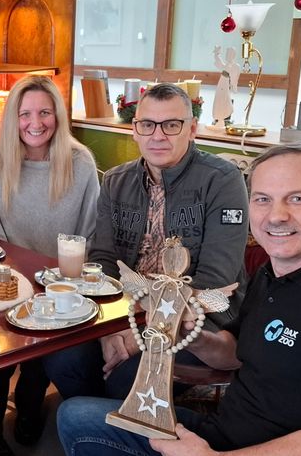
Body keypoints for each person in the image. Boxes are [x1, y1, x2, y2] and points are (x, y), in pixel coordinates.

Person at [57, 143, 301, 455]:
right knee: (74, 414)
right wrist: (189, 335)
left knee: (81, 419)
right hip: (224, 433)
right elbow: (233, 354)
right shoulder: (273, 276)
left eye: (298, 198)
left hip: (244, 451)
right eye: (262, 199)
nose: (276, 215)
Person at [44, 83, 249, 401]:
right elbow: (104, 260)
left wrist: (137, 322)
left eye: (171, 125)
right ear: (134, 130)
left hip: (195, 321)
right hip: (124, 312)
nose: (158, 135)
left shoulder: (222, 180)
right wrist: (112, 326)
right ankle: (98, 426)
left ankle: (108, 427)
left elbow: (216, 278)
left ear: (191, 129)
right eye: (147, 124)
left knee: (125, 380)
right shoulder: (115, 180)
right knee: (62, 359)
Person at [0, 75, 100, 455]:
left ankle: (28, 409)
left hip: (58, 287)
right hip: (4, 283)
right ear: (13, 118)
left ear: (57, 115)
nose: (35, 122)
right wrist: (12, 273)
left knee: (42, 352)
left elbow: (91, 234)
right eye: (25, 113)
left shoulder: (80, 163)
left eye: (44, 111)